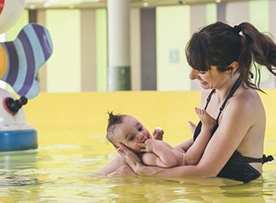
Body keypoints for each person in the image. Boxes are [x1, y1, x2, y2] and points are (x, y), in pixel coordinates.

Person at [96, 21, 274, 183]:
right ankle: (87, 181)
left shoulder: (241, 104)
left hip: (236, 186)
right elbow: (208, 146)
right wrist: (157, 149)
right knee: (130, 158)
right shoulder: (209, 92)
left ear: (231, 68)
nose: (192, 76)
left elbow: (206, 171)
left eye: (202, 70)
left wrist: (144, 171)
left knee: (130, 172)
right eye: (193, 67)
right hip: (209, 176)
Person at [106, 110, 215, 170]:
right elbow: (171, 161)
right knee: (189, 158)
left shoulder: (148, 150)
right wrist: (156, 146)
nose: (140, 135)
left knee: (179, 147)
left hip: (178, 154)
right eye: (131, 138)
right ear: (123, 149)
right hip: (185, 161)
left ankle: (196, 137)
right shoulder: (146, 158)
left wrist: (158, 142)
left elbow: (168, 153)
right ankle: (206, 129)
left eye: (140, 128)